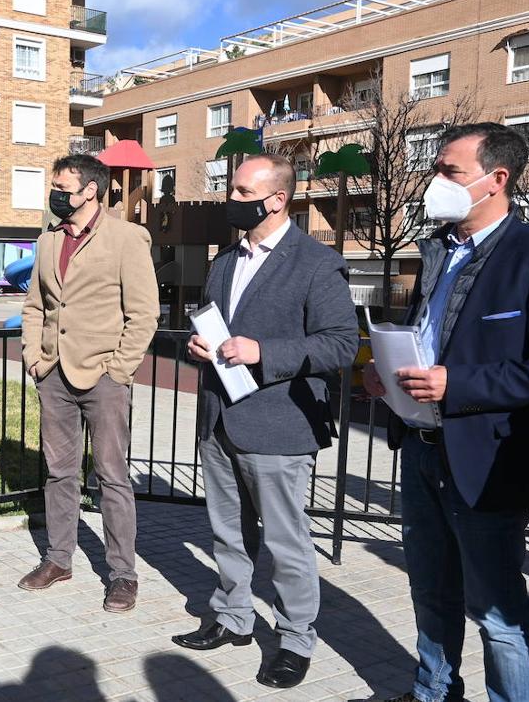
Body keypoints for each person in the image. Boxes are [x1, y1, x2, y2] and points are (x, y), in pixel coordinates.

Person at [363, 123, 529, 702]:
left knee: (497, 612)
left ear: (497, 180)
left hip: (488, 463)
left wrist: (456, 383)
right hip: (420, 450)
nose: (434, 181)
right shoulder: (437, 250)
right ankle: (433, 692)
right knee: (430, 593)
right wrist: (387, 377)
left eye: (450, 171)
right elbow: (431, 337)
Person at [176, 153, 357, 690]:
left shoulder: (316, 262)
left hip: (279, 427)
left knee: (285, 543)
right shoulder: (226, 259)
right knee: (228, 534)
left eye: (239, 191)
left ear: (276, 199)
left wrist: (263, 352)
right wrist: (199, 348)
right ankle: (233, 617)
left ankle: (296, 638)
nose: (230, 200)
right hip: (220, 420)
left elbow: (341, 344)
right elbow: (218, 325)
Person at [16, 153, 158, 613]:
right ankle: (58, 559)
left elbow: (143, 314)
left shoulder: (127, 238)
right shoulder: (46, 241)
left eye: (63, 186)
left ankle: (122, 574)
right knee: (60, 473)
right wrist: (33, 357)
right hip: (53, 374)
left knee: (112, 477)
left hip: (103, 377)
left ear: (90, 190)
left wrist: (118, 369)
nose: (56, 193)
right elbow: (36, 306)